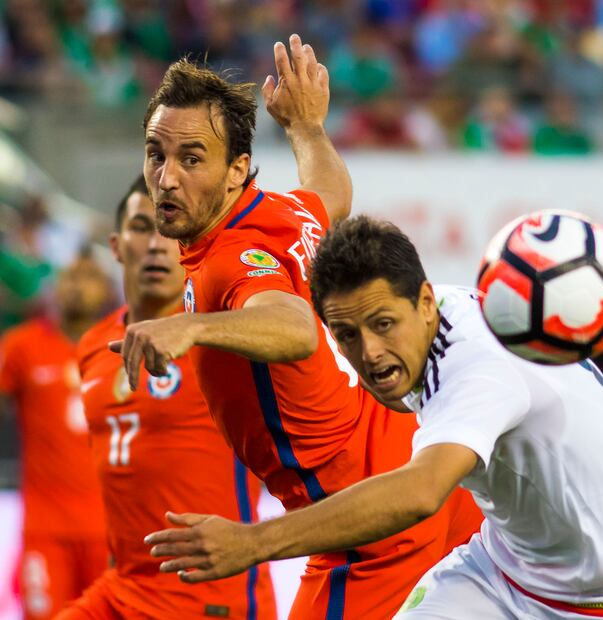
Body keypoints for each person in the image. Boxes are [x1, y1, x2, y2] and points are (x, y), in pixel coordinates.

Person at [145, 216, 603, 619]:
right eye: (346, 334)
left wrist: (255, 542)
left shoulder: (481, 368)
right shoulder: (426, 318)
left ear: (426, 302)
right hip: (505, 574)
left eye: (381, 325)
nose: (368, 352)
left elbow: (417, 492)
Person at [113, 35, 483, 619]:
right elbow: (332, 192)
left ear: (236, 170)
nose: (165, 178)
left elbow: (292, 327)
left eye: (191, 158)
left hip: (367, 532)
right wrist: (307, 128)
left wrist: (190, 328)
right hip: (420, 475)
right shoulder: (283, 210)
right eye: (156, 154)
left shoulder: (230, 261)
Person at [56, 177, 276, 619]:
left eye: (168, 228)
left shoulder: (220, 333)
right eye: (142, 226)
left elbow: (293, 330)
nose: (157, 243)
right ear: (116, 246)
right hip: (121, 588)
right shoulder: (93, 345)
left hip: (208, 596)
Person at [0, 255, 110, 620]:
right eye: (69, 276)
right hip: (46, 530)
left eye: (89, 276)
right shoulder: (22, 346)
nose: (77, 285)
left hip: (111, 530)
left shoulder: (122, 347)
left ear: (106, 290)